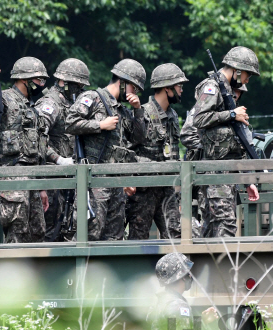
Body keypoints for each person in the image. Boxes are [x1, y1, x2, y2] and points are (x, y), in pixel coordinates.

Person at [65, 58, 147, 241]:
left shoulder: (122, 110)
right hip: (94, 180)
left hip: (116, 182)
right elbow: (70, 122)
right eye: (134, 88)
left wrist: (138, 110)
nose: (135, 93)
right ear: (124, 83)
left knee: (115, 236)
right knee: (91, 233)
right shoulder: (93, 98)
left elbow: (139, 138)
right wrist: (100, 125)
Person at [187, 46, 260, 238]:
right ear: (237, 70)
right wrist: (232, 114)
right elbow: (199, 119)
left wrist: (247, 179)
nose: (246, 80)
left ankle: (209, 267)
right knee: (225, 225)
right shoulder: (212, 87)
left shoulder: (227, 90)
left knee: (214, 227)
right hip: (215, 171)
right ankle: (224, 268)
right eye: (247, 75)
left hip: (225, 171)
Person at [0, 57, 50, 243]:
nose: (41, 84)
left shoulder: (32, 107)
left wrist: (41, 186)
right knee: (17, 232)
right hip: (12, 175)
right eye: (38, 80)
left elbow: (38, 149)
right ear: (23, 79)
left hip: (32, 177)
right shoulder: (6, 98)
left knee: (38, 233)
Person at [125, 63, 187, 240]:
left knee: (176, 235)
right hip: (144, 189)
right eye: (179, 86)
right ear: (167, 88)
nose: (181, 90)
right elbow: (127, 152)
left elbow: (173, 153)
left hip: (167, 188)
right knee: (138, 238)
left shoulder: (173, 115)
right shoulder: (142, 113)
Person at [34, 58, 90, 242]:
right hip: (51, 178)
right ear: (65, 83)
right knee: (50, 232)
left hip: (67, 178)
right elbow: (37, 138)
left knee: (66, 230)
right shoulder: (51, 103)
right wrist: (58, 159)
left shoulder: (68, 103)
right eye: (78, 86)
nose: (80, 91)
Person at [150, 252, 220, 330]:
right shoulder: (178, 306)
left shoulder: (161, 300)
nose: (189, 276)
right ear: (181, 277)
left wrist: (202, 322)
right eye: (187, 273)